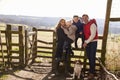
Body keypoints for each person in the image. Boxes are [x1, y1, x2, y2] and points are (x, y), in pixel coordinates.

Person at [82, 14, 98, 80]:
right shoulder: (84, 25)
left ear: (88, 18)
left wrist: (86, 42)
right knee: (89, 56)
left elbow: (93, 35)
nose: (84, 19)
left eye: (86, 18)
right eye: (83, 18)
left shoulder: (92, 24)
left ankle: (91, 73)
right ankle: (92, 70)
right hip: (88, 42)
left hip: (93, 42)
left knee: (92, 57)